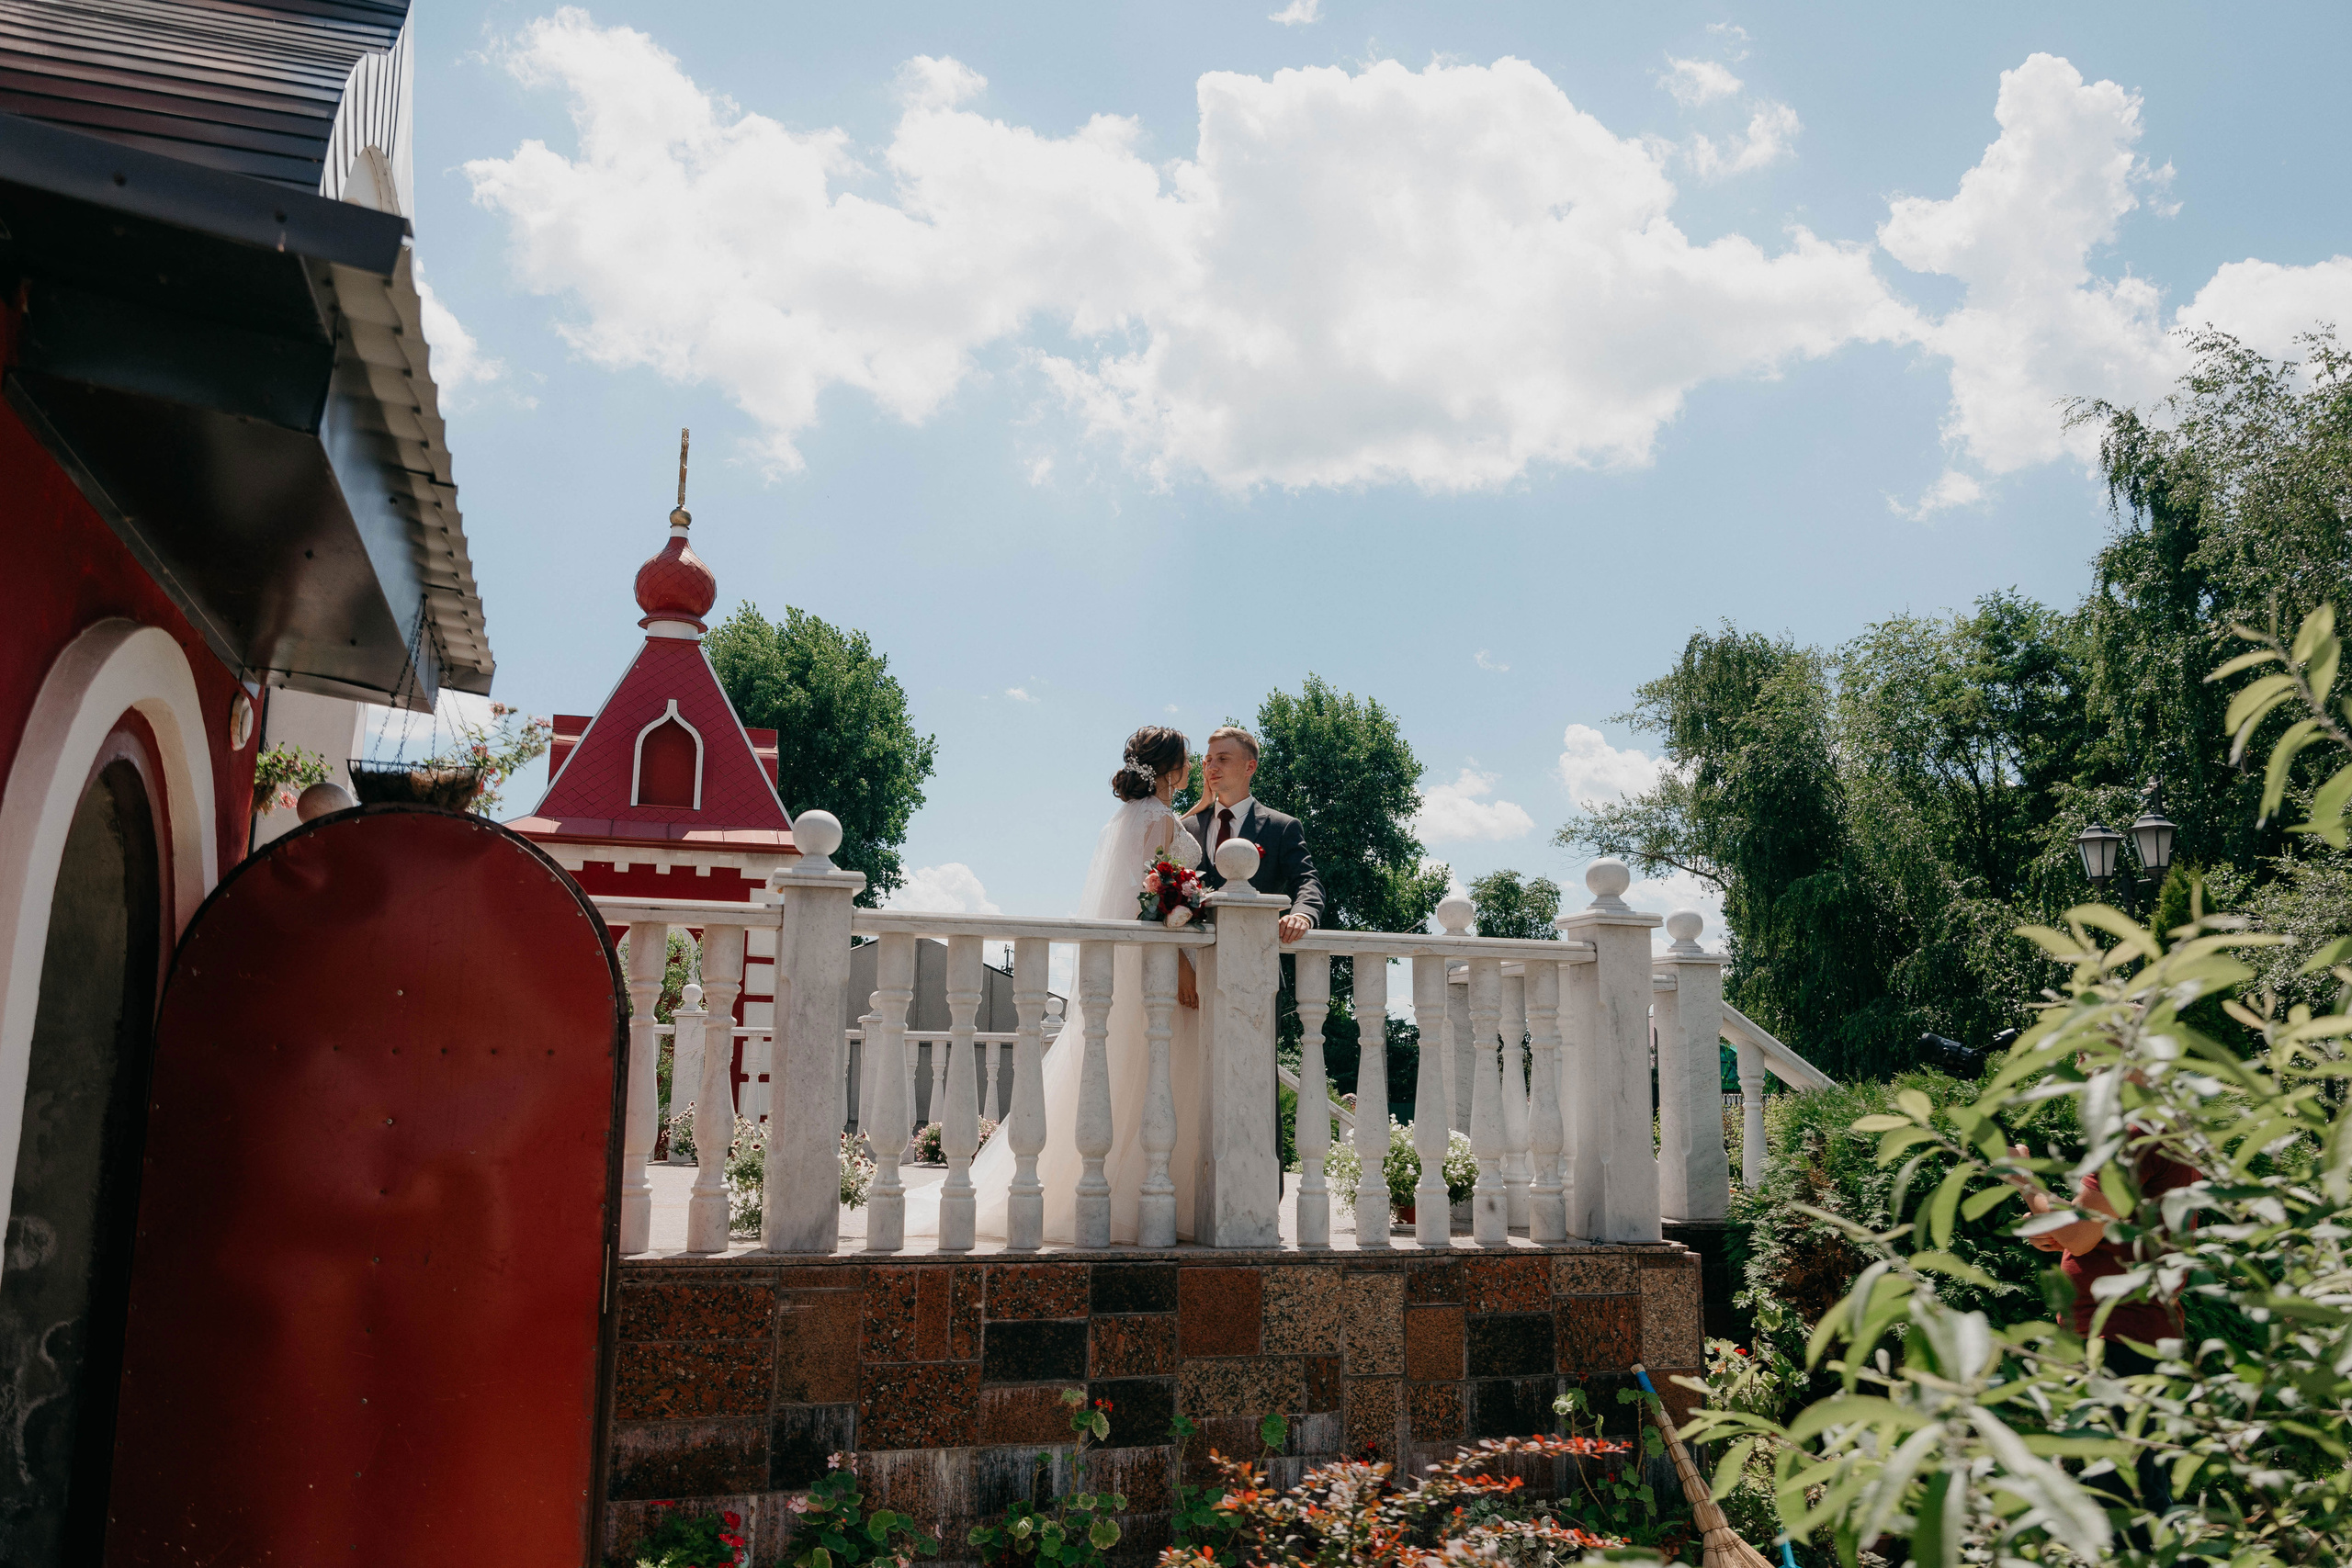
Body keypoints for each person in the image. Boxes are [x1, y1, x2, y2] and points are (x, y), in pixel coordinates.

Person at [902, 727, 1207, 1243]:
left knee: (1125, 1067)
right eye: (1188, 761)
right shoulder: (1157, 819)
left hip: (1121, 964)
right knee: (1146, 1066)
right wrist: (1180, 961)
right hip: (1149, 963)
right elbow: (1152, 899)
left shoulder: (1128, 818)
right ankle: (1141, 1195)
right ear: (1172, 768)